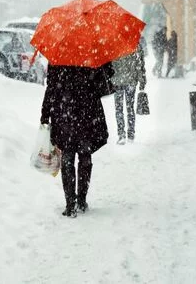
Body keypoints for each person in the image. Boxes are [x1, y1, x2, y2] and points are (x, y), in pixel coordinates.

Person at [40, 63, 114, 217]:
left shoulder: (58, 56)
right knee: (84, 157)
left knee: (68, 156)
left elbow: (51, 87)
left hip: (64, 112)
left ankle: (71, 203)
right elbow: (102, 84)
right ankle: (80, 200)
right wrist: (102, 70)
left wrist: (45, 114)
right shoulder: (91, 55)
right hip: (86, 113)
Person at [111, 39, 147, 144]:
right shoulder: (135, 45)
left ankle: (121, 134)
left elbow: (109, 65)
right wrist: (142, 81)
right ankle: (131, 134)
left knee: (118, 109)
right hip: (131, 81)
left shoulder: (113, 46)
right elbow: (140, 65)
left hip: (117, 81)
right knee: (130, 107)